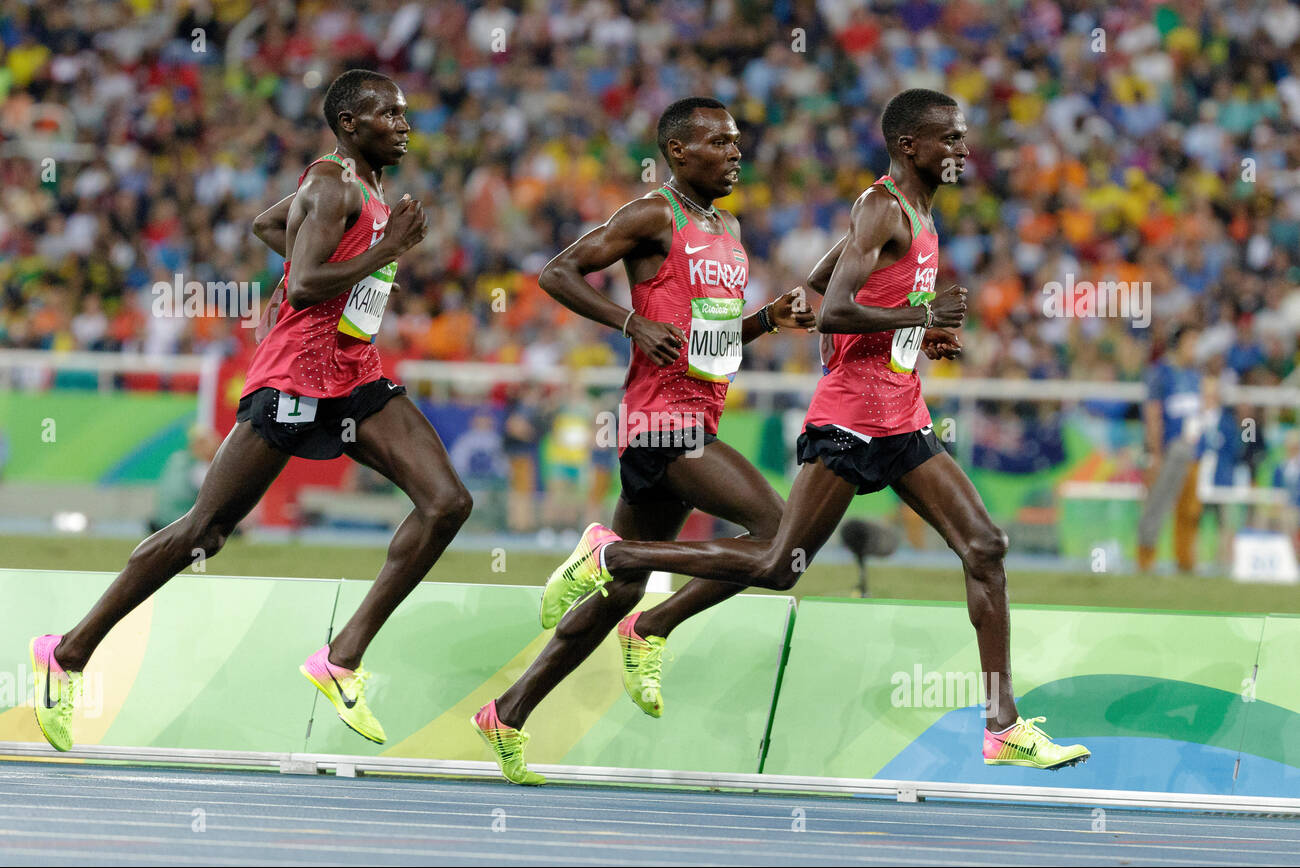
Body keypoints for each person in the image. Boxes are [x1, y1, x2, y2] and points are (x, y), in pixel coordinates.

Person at [538, 89, 1090, 775]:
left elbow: (820, 286)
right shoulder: (883, 205)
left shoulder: (919, 211)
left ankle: (1001, 724)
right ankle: (621, 566)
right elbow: (834, 314)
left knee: (985, 544)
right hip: (850, 421)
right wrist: (917, 314)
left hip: (902, 414)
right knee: (778, 564)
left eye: (963, 136)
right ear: (910, 145)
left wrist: (919, 331)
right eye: (948, 138)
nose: (961, 150)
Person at [30, 70, 472, 751]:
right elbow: (300, 288)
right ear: (351, 125)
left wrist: (353, 251)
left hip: (354, 375)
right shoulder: (333, 184)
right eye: (389, 114)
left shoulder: (363, 187)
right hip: (294, 376)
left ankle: (341, 657)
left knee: (447, 502)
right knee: (204, 531)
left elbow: (268, 223)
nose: (405, 124)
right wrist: (388, 251)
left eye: (406, 112)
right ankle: (67, 652)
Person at [471, 97, 814, 784]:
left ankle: (507, 713)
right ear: (679, 152)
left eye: (739, 140)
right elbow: (557, 272)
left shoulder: (730, 226)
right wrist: (629, 322)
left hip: (698, 417)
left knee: (619, 590)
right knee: (782, 539)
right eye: (719, 142)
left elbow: (703, 339)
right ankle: (642, 608)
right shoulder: (655, 213)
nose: (736, 152)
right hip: (661, 422)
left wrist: (764, 322)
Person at [1137, 324, 1204, 572]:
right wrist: (1155, 453)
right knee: (1158, 504)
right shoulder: (1161, 373)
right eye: (1191, 343)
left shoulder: (1194, 375)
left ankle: (1185, 561)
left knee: (1190, 509)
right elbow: (1153, 413)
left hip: (1193, 450)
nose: (1196, 349)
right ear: (1178, 345)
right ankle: (1146, 559)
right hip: (1170, 450)